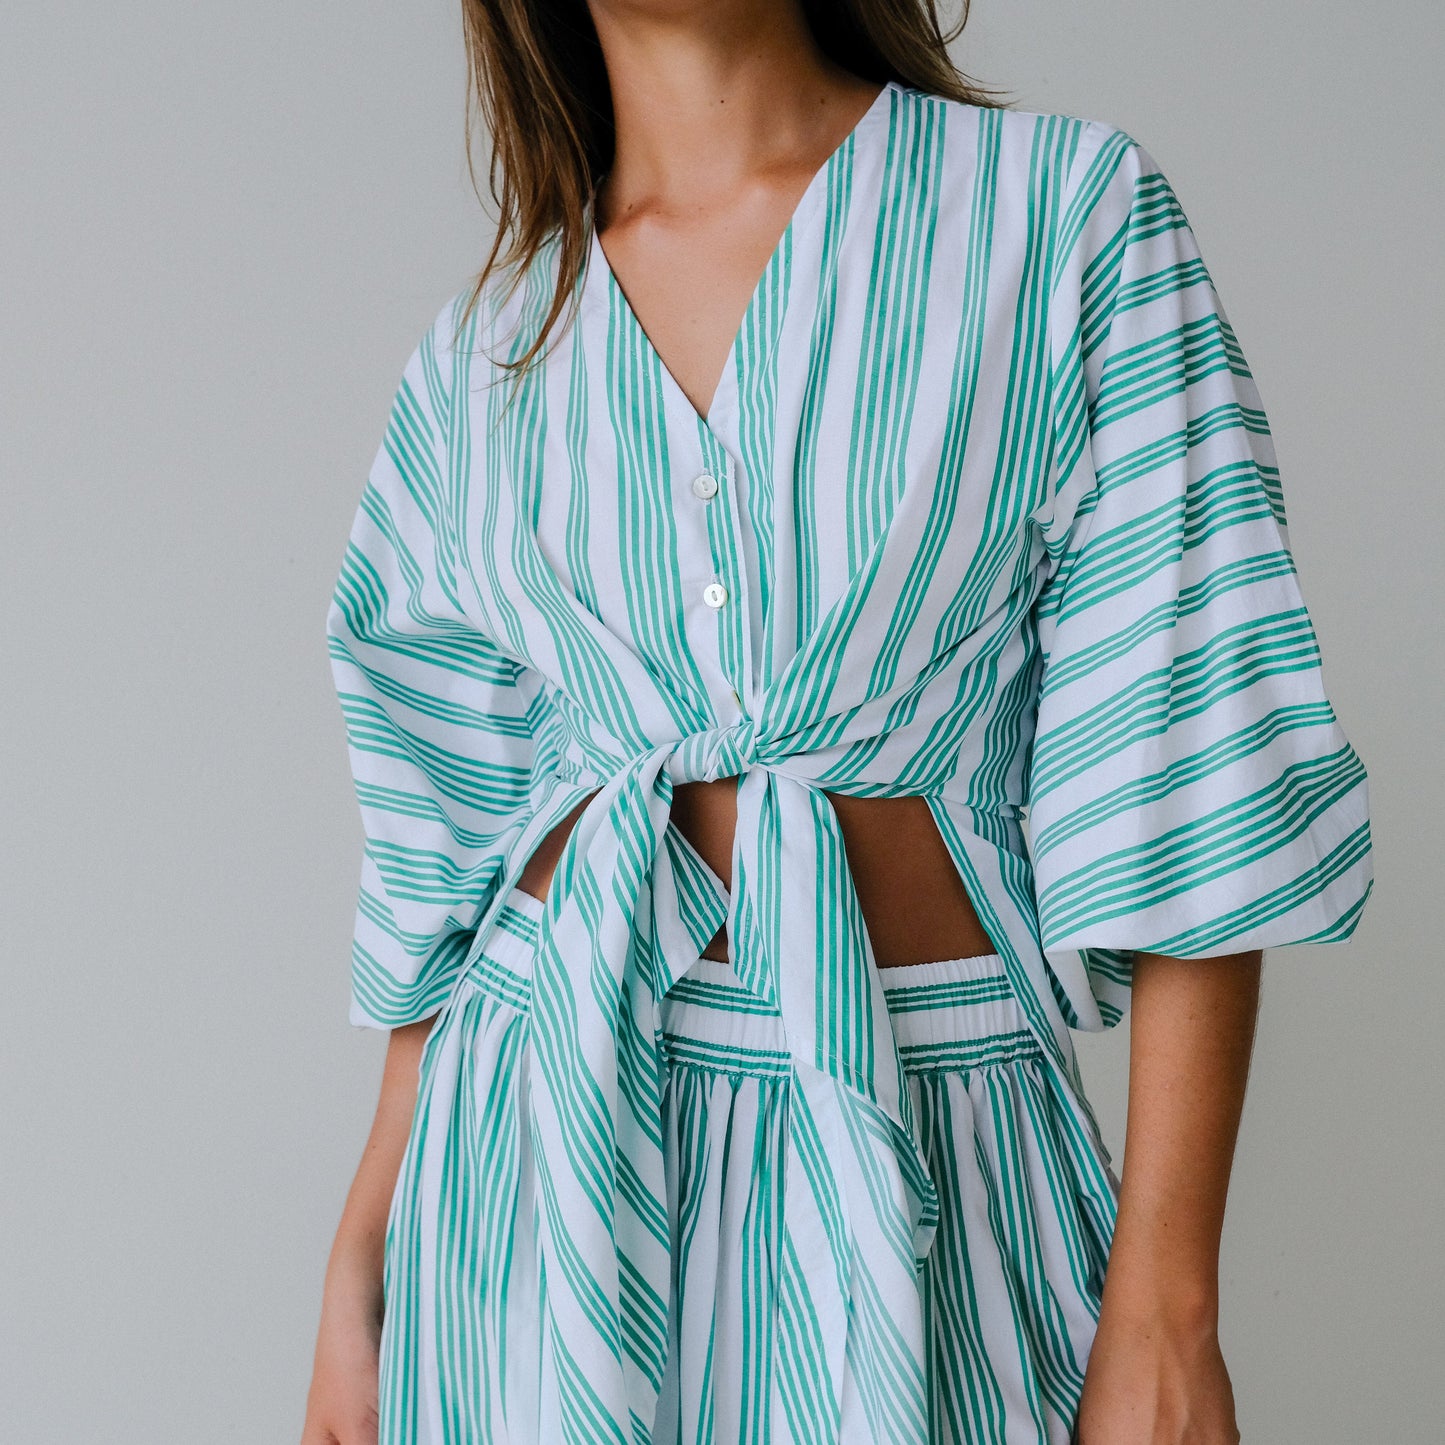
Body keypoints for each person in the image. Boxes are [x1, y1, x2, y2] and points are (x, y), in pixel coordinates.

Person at [302, 3, 1374, 1442]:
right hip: (529, 1180)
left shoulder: (1059, 219)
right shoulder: (487, 349)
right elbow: (456, 836)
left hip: (927, 1147)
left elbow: (1189, 763)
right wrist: (360, 1252)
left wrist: (1168, 1307)